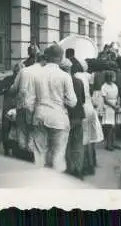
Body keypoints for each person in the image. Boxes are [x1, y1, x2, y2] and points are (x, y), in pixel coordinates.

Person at [27, 45, 77, 173]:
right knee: (58, 155)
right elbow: (72, 102)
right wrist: (60, 100)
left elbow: (29, 101)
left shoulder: (36, 74)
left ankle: (39, 185)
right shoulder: (65, 76)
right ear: (61, 58)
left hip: (39, 116)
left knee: (39, 155)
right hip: (58, 118)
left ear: (46, 57)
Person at [9, 52, 46, 161]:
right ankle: (31, 158)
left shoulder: (23, 71)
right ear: (44, 61)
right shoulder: (45, 73)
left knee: (21, 131)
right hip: (36, 108)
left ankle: (22, 156)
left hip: (22, 107)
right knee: (33, 133)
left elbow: (14, 89)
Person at [75, 59, 104, 176]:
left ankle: (84, 167)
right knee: (90, 139)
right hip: (90, 108)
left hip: (83, 109)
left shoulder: (75, 77)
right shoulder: (88, 76)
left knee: (82, 139)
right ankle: (92, 164)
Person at [63, 60, 86, 179]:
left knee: (67, 144)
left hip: (66, 117)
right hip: (78, 116)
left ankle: (69, 169)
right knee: (78, 144)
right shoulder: (79, 81)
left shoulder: (61, 82)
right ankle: (78, 169)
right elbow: (83, 100)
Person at [0, 60, 24, 156]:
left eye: (19, 72)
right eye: (16, 72)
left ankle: (18, 150)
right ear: (14, 72)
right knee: (6, 129)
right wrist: (7, 87)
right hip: (8, 108)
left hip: (20, 108)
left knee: (19, 129)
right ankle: (7, 149)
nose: (17, 74)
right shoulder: (8, 79)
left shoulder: (25, 81)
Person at [101, 70, 120, 151]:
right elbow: (105, 100)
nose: (115, 77)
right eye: (113, 76)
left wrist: (118, 104)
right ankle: (108, 144)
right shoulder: (104, 86)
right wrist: (113, 106)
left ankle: (114, 143)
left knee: (114, 127)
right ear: (110, 77)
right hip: (108, 107)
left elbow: (118, 96)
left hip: (115, 105)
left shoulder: (115, 85)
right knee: (109, 127)